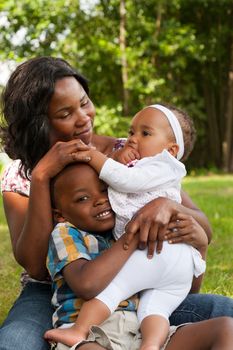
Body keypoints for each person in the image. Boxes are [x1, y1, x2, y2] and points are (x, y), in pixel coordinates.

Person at [0, 56, 233, 350]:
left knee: (226, 313)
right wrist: (43, 176)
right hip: (50, 294)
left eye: (84, 103)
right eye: (65, 113)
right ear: (40, 124)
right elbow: (35, 266)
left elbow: (199, 223)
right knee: (14, 343)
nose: (83, 117)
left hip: (135, 288)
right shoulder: (20, 176)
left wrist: (170, 207)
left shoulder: (128, 153)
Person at [44, 103, 206, 350]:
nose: (132, 140)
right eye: (131, 132)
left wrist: (92, 155)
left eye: (144, 133)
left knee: (116, 288)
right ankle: (151, 345)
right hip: (176, 267)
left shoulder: (155, 167)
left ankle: (80, 329)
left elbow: (124, 179)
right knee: (156, 310)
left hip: (156, 255)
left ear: (172, 150)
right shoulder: (150, 166)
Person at [44, 162, 233, 350]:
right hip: (87, 334)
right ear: (60, 215)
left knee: (226, 329)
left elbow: (183, 291)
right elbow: (85, 285)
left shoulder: (124, 225)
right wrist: (132, 235)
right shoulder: (66, 232)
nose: (100, 200)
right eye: (83, 198)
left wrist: (199, 249)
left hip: (141, 333)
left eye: (104, 191)